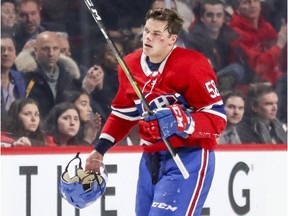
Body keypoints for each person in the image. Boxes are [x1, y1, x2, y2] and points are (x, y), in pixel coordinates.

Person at [85, 8, 226, 215]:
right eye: (147, 31)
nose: (148, 38)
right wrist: (99, 150)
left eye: (157, 34)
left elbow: (217, 119)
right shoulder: (130, 64)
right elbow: (123, 115)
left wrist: (182, 121)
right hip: (150, 160)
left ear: (172, 39)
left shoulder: (193, 65)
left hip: (189, 157)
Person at [14, 31, 81, 119]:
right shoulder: (25, 77)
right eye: (45, 49)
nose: (51, 54)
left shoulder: (69, 76)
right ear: (36, 50)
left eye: (55, 49)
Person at [185, 0, 244, 92]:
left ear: (224, 18)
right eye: (210, 15)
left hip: (225, 80)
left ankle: (220, 89)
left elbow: (241, 66)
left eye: (219, 15)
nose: (214, 19)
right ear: (202, 18)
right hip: (203, 82)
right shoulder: (192, 40)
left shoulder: (232, 37)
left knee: (237, 68)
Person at [228, 0, 287, 86]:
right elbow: (257, 67)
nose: (252, 5)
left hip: (277, 79)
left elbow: (281, 58)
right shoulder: (235, 34)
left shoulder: (266, 27)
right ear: (237, 9)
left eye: (255, 1)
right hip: (253, 86)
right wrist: (279, 45)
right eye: (246, 2)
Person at [1, 34, 26, 115]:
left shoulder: (19, 77)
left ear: (15, 54)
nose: (5, 53)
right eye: (1, 50)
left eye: (10, 49)